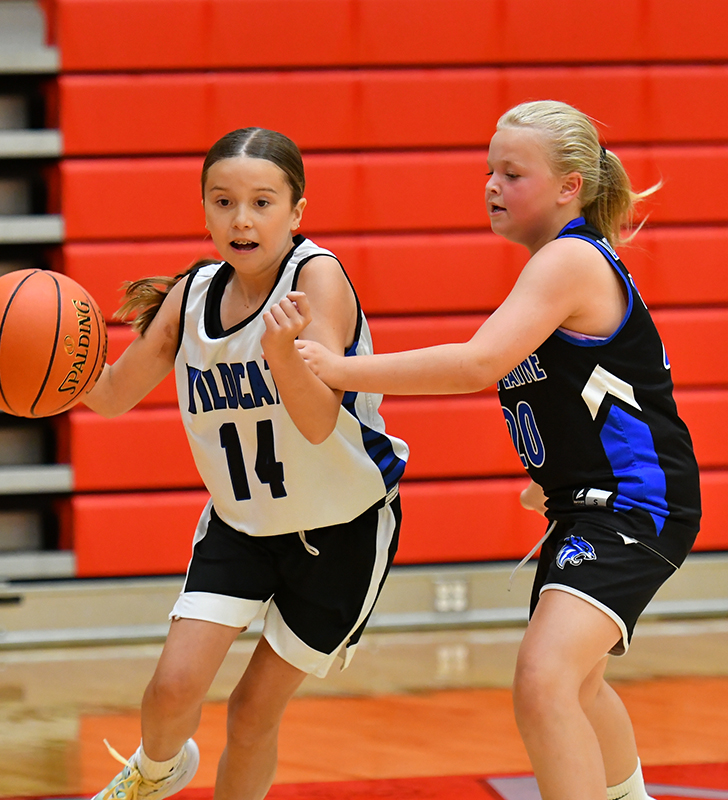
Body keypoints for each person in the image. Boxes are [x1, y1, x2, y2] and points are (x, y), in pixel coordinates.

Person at [290, 100, 701, 800]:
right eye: (490, 170)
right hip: (591, 504)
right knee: (579, 681)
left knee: (543, 682)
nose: (491, 185)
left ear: (570, 187)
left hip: (634, 504)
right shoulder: (558, 265)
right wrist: (557, 478)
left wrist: (341, 369)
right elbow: (600, 391)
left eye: (512, 173)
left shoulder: (569, 260)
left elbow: (476, 364)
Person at [83, 127, 408, 800]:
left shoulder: (315, 278)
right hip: (240, 524)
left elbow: (318, 422)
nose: (241, 218)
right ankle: (154, 774)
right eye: (223, 201)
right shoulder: (192, 295)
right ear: (203, 208)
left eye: (263, 202)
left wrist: (284, 355)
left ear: (297, 211)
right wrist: (44, 363)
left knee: (253, 711)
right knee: (172, 687)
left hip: (340, 526)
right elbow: (112, 395)